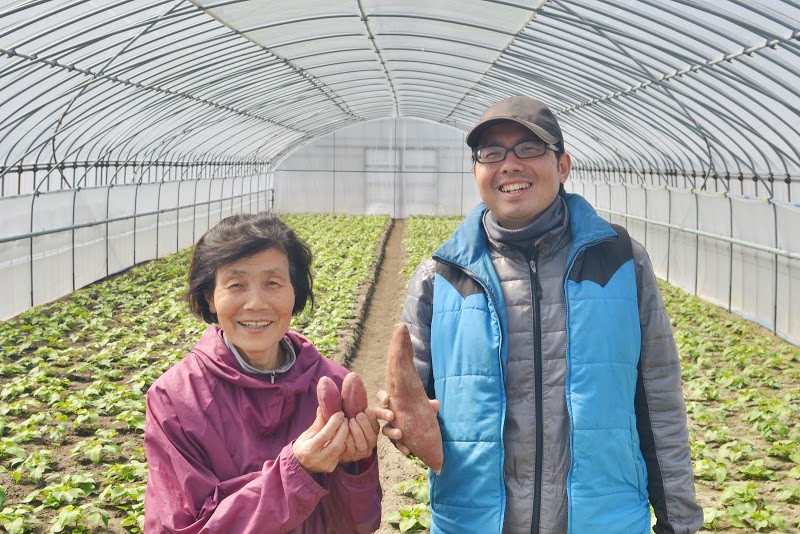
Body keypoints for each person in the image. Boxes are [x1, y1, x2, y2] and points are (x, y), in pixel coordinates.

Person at [378, 95, 703, 533]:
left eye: (529, 149)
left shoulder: (621, 262)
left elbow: (659, 401)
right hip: (473, 522)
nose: (509, 165)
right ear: (477, 172)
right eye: (491, 153)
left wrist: (678, 521)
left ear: (563, 166)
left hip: (602, 521)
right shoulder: (441, 277)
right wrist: (400, 426)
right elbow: (414, 404)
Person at [144, 212, 382, 533]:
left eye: (272, 283)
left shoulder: (332, 385)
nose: (256, 303)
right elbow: (183, 527)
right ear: (210, 297)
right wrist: (298, 470)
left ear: (294, 292)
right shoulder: (175, 400)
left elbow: (358, 525)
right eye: (236, 284)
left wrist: (354, 467)